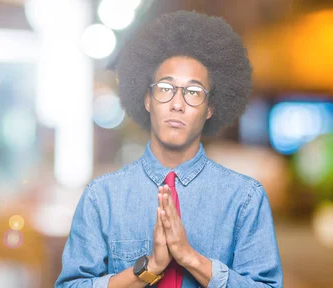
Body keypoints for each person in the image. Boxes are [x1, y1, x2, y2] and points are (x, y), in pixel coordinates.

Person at [55, 10, 283, 288]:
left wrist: (190, 258)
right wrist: (148, 269)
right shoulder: (102, 197)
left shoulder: (245, 199)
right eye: (165, 88)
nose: (177, 103)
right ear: (148, 99)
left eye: (194, 92)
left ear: (210, 108)